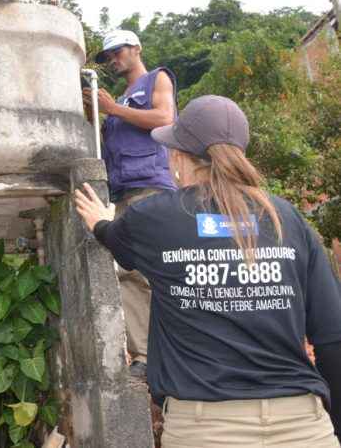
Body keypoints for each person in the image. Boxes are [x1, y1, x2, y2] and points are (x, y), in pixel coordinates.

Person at [75, 95, 341, 447]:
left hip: (205, 430)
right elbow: (331, 336)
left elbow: (113, 236)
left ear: (180, 157)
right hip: (304, 425)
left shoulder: (153, 217)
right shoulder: (286, 218)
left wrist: (99, 223)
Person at [82, 29, 177, 379]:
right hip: (122, 194)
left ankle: (167, 353)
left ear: (137, 48)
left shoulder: (157, 78)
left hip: (150, 187)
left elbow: (164, 120)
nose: (113, 59)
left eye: (118, 51)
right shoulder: (118, 99)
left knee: (153, 270)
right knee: (127, 272)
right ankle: (145, 357)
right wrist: (99, 117)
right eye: (108, 56)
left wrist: (112, 109)